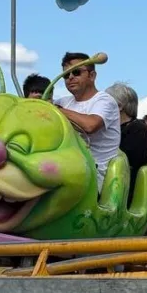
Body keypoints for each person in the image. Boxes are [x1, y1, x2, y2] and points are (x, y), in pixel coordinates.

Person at [54, 52, 121, 190]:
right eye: (66, 75)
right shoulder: (62, 102)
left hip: (97, 173)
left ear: (92, 76)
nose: (70, 78)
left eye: (76, 72)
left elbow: (90, 126)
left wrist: (58, 111)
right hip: (69, 167)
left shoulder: (105, 101)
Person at [105, 83, 147, 196]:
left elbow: (134, 160)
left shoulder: (138, 129)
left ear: (120, 106)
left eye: (106, 102)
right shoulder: (109, 127)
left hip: (124, 186)